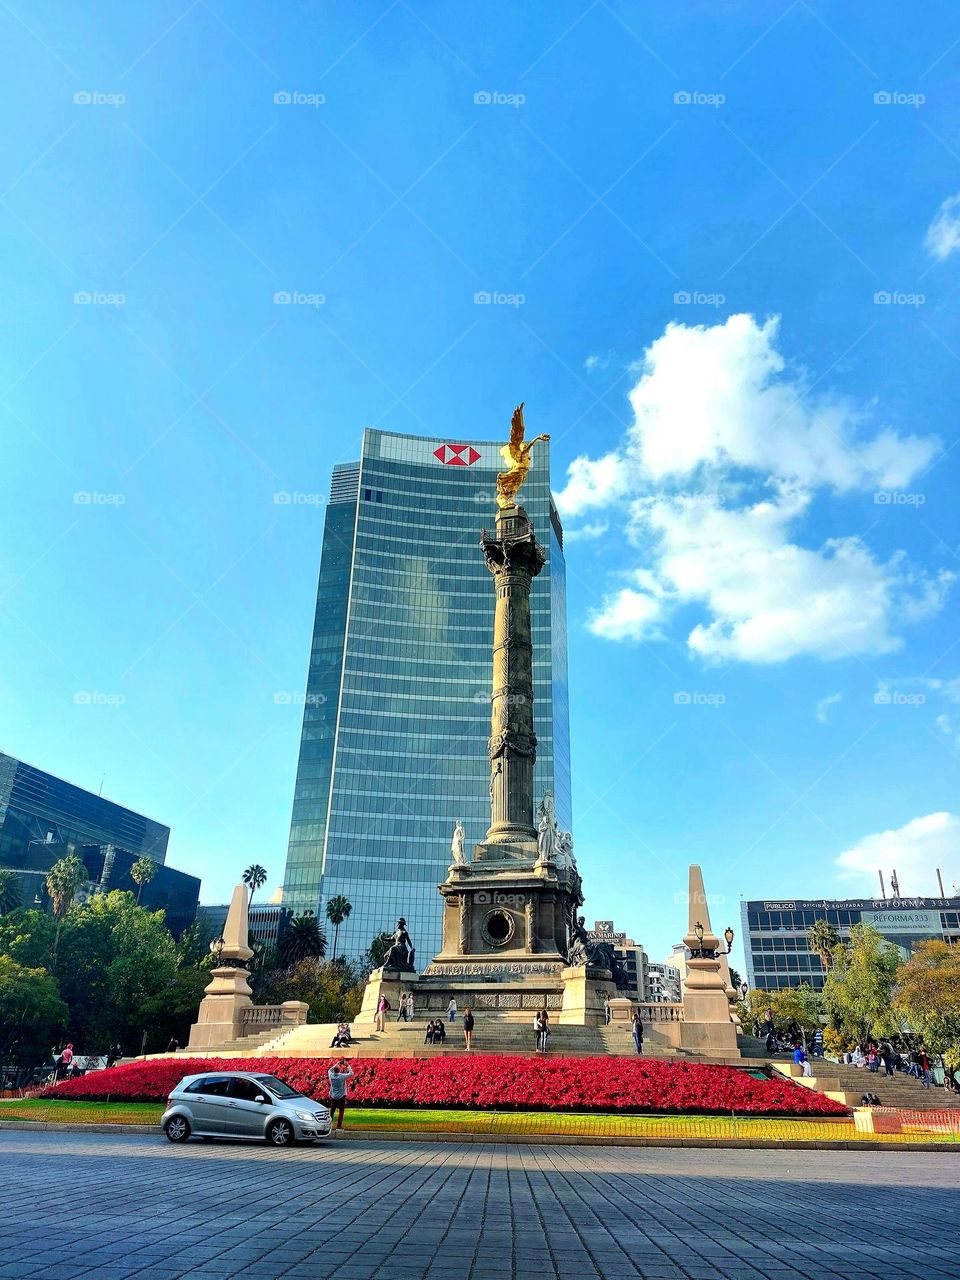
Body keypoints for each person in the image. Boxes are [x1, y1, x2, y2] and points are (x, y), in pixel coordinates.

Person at [327, 1059, 354, 1130]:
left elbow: (329, 1070)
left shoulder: (331, 1076)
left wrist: (336, 1064)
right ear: (339, 1070)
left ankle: (328, 1125)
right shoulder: (342, 1076)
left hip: (333, 1096)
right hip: (341, 1096)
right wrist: (348, 1065)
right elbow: (351, 1073)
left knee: (332, 1111)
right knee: (341, 1111)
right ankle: (338, 1126)